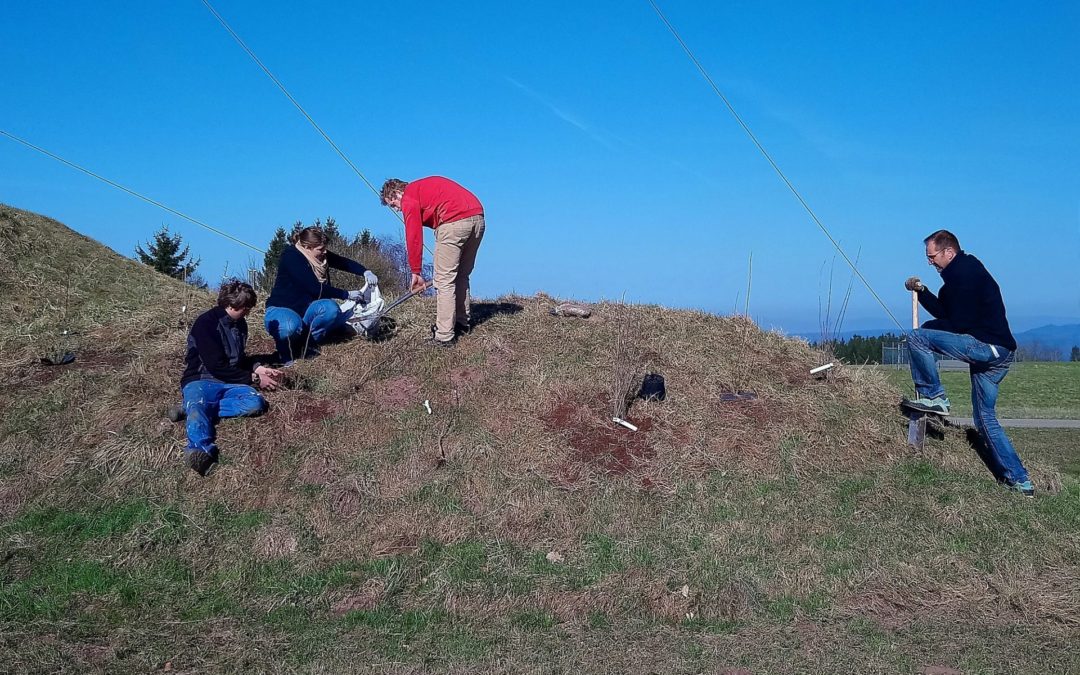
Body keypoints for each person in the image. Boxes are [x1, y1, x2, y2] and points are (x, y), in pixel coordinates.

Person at [904, 230, 1034, 496]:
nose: (930, 262)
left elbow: (958, 325)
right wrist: (922, 292)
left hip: (987, 347)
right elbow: (946, 312)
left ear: (948, 252)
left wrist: (930, 330)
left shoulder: (964, 275)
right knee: (985, 419)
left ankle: (934, 396)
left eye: (932, 257)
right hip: (1001, 352)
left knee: (917, 338)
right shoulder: (958, 276)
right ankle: (1021, 481)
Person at [180, 280, 283, 476]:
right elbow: (216, 365)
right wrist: (254, 378)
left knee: (255, 403)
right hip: (201, 379)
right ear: (230, 305)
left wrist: (258, 368)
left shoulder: (240, 325)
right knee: (199, 403)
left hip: (229, 383)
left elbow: (238, 360)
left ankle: (192, 407)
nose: (248, 313)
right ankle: (200, 451)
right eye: (245, 308)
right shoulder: (206, 323)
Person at [380, 176, 485, 346]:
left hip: (453, 222)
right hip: (477, 219)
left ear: (397, 193)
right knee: (461, 275)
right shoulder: (423, 188)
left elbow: (413, 234)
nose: (397, 210)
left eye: (393, 205)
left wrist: (415, 271)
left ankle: (444, 336)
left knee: (444, 281)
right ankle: (461, 323)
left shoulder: (409, 196)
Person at [264, 226, 377, 362]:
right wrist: (346, 294)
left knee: (330, 309)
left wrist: (365, 271)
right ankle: (286, 351)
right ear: (306, 247)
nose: (324, 252)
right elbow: (314, 288)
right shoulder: (291, 257)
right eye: (320, 249)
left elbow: (343, 262)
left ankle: (306, 345)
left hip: (306, 309)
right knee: (290, 327)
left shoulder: (319, 257)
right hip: (283, 308)